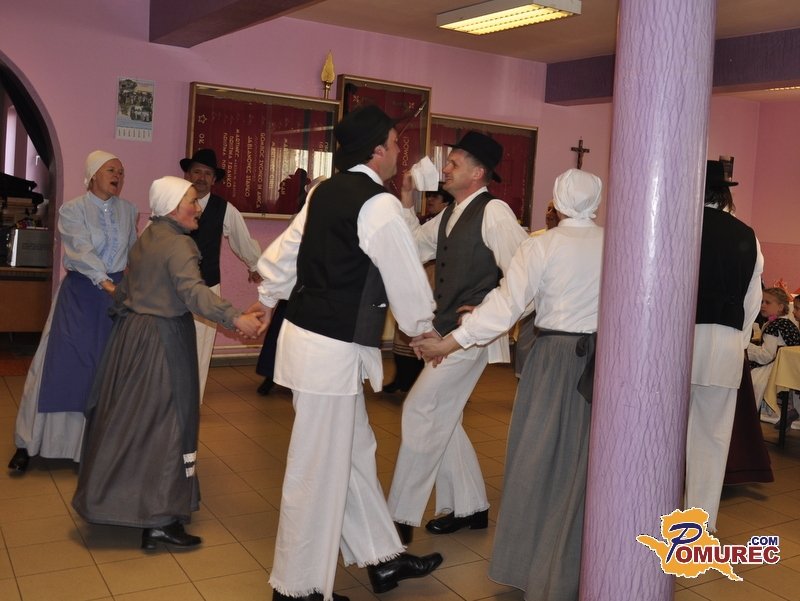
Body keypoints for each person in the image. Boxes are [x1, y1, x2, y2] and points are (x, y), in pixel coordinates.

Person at [249, 105, 443, 601]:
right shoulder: (377, 205)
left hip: (313, 340)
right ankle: (297, 587)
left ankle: (382, 558)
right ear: (377, 151)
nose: (399, 154)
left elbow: (287, 252)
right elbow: (404, 275)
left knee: (354, 452)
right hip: (330, 350)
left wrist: (268, 297)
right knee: (317, 469)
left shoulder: (325, 191)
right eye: (395, 145)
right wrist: (424, 332)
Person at [413, 168, 604, 600]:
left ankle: (535, 565)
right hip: (604, 364)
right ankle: (583, 566)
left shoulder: (542, 245)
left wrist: (451, 341)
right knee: (587, 465)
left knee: (539, 459)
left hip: (553, 362)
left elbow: (508, 305)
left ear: (558, 200)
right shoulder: (614, 244)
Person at [71, 177, 263, 550]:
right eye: (191, 200)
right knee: (167, 423)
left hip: (132, 337)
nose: (198, 207)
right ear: (174, 206)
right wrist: (235, 317)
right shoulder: (179, 244)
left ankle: (122, 501)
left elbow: (126, 291)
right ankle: (159, 520)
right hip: (162, 341)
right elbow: (192, 291)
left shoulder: (147, 237)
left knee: (131, 423)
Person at [387, 131, 528, 543]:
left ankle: (400, 516)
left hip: (474, 335)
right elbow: (411, 248)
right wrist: (408, 197)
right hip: (448, 328)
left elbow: (525, 276)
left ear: (478, 173)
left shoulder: (494, 212)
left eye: (454, 163)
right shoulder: (451, 213)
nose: (445, 169)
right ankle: (470, 507)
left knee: (422, 408)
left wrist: (483, 313)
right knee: (444, 415)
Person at [8, 151, 137, 473]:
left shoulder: (129, 210)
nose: (118, 175)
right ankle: (28, 443)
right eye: (111, 169)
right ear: (93, 174)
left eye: (121, 171)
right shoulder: (73, 209)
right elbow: (80, 250)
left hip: (115, 297)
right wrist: (106, 283)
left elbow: (135, 252)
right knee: (58, 367)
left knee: (104, 371)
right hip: (81, 295)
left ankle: (90, 448)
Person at [685, 159, 763, 532]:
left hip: (679, 343)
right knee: (711, 438)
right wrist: (738, 340)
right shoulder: (747, 235)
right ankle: (699, 521)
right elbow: (753, 301)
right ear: (724, 193)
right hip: (725, 344)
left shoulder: (680, 227)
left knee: (664, 433)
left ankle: (653, 505)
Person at [180, 149, 262, 400]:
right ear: (187, 174)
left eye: (208, 174)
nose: (202, 178)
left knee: (201, 346)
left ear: (214, 179)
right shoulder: (173, 203)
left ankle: (193, 402)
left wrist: (255, 266)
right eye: (197, 172)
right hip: (173, 288)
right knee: (171, 343)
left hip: (207, 286)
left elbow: (241, 239)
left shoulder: (224, 209)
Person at [383, 184, 454, 394]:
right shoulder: (427, 223)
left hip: (437, 282)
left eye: (436, 197)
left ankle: (421, 382)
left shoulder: (452, 221)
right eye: (429, 196)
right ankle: (403, 378)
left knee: (428, 330)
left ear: (446, 202)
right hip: (417, 280)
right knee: (406, 330)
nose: (430, 200)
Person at [514, 198, 560, 378]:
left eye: (554, 210)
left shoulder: (566, 241)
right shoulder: (535, 238)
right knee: (524, 346)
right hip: (532, 301)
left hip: (554, 304)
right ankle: (523, 380)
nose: (549, 214)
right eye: (548, 209)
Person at [748, 287, 800, 422]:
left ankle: (768, 412)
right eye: (762, 301)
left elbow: (766, 355)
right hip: (788, 367)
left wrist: (748, 348)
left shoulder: (774, 326)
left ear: (780, 307)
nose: (762, 305)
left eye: (767, 302)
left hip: (776, 367)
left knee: (750, 379)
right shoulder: (788, 323)